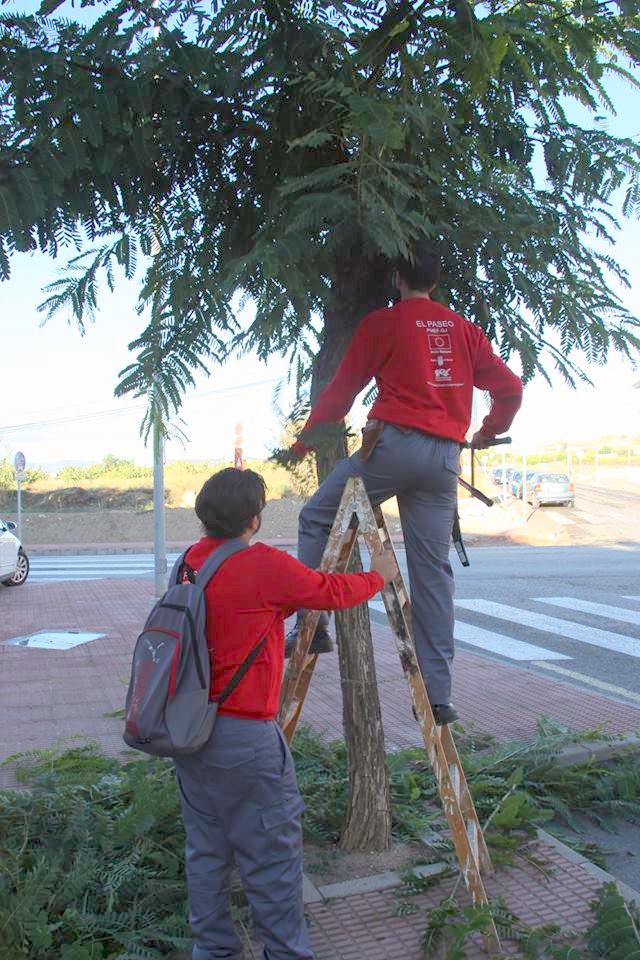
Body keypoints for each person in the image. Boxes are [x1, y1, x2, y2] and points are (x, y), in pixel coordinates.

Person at [287, 242, 523, 725]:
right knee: (432, 573)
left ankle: (313, 626)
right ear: (434, 281)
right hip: (443, 461)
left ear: (397, 278)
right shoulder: (465, 331)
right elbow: (510, 389)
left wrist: (304, 443)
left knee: (315, 516)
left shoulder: (383, 324)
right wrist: (489, 430)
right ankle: (437, 696)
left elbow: (341, 392)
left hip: (392, 449)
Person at [173, 467, 395, 960]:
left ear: (204, 515)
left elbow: (233, 609)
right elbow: (330, 591)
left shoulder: (188, 563)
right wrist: (379, 575)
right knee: (272, 858)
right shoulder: (263, 564)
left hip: (189, 734)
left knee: (206, 853)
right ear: (254, 519)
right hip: (245, 739)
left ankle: (213, 951)